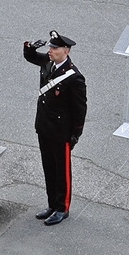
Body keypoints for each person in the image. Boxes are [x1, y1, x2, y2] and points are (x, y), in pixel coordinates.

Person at [22, 32, 87, 226]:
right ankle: (52, 204)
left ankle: (62, 208)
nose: (50, 51)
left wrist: (76, 134)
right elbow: (31, 57)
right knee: (48, 167)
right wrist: (30, 47)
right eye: (49, 48)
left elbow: (80, 108)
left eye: (54, 48)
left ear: (65, 51)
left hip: (61, 131)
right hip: (44, 126)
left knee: (62, 171)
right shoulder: (48, 63)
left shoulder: (74, 77)